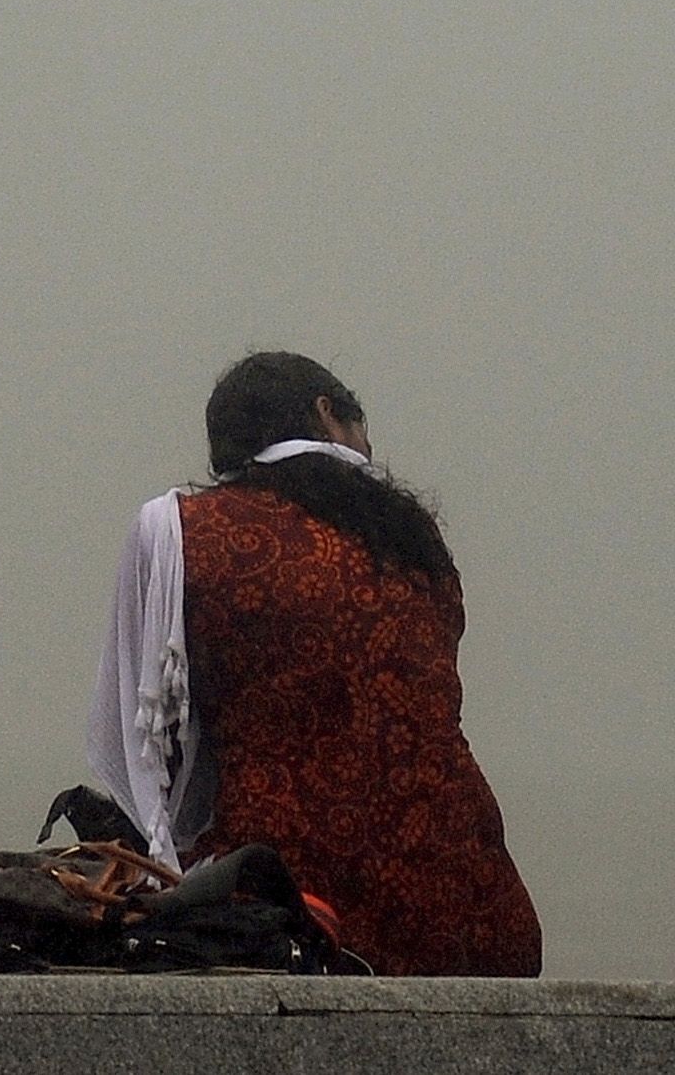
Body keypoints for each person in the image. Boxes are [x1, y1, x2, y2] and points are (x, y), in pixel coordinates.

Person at [88, 351, 541, 975]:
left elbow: (139, 740)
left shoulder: (180, 529)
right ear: (327, 414)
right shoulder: (411, 538)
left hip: (290, 898)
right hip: (464, 894)